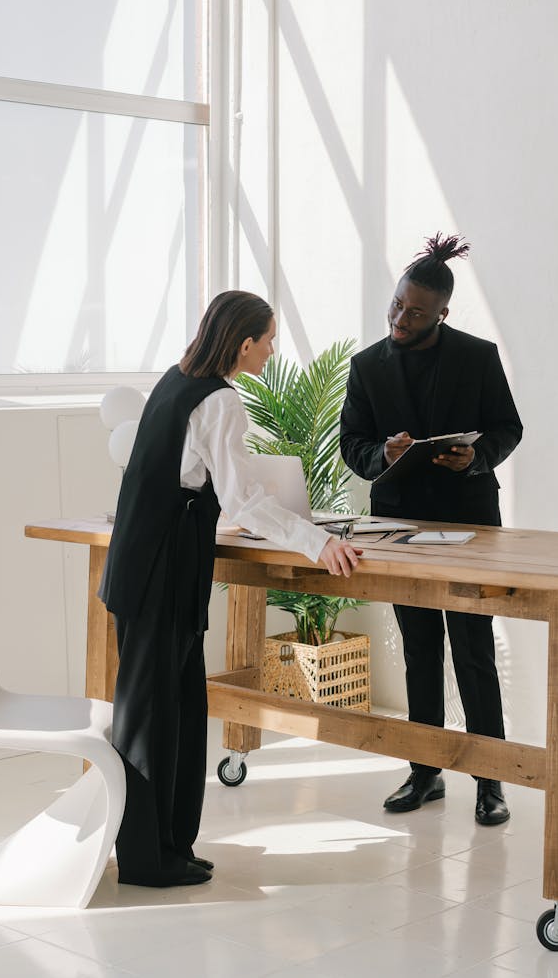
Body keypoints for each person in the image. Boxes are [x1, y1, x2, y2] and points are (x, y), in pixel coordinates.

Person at [99, 291, 362, 888]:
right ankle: (148, 859)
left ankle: (170, 846)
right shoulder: (220, 399)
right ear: (245, 343)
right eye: (269, 340)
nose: (272, 351)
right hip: (162, 571)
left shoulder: (176, 379)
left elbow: (187, 481)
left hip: (146, 565)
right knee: (153, 716)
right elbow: (242, 499)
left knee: (178, 706)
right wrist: (317, 542)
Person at [339, 234, 522, 826]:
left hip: (470, 523)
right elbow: (353, 446)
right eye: (396, 304)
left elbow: (507, 427)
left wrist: (477, 457)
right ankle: (423, 771)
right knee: (419, 646)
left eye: (415, 312)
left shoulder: (479, 356)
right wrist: (383, 457)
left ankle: (489, 781)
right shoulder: (366, 365)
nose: (399, 318)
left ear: (442, 312)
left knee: (473, 649)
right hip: (398, 523)